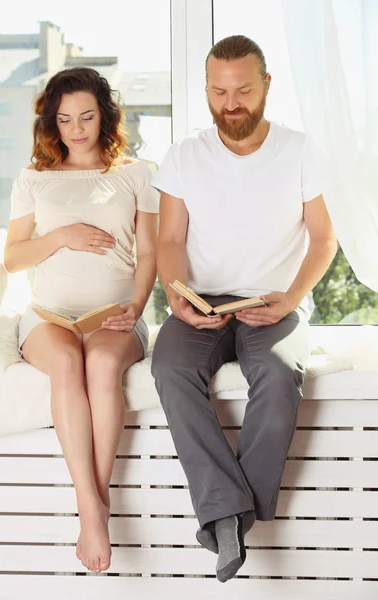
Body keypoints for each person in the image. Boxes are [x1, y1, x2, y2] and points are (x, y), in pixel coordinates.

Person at [151, 35, 337, 583]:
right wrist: (175, 294)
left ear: (267, 86)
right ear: (207, 90)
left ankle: (226, 517)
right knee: (169, 366)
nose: (230, 103)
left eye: (243, 90)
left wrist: (293, 297)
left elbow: (323, 238)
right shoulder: (184, 155)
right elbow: (169, 240)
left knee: (278, 375)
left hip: (274, 301)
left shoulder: (300, 149)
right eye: (218, 90)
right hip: (201, 299)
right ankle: (229, 513)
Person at [4, 67, 159, 574]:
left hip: (113, 314)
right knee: (67, 366)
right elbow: (12, 258)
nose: (76, 128)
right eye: (65, 119)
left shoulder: (137, 173)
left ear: (106, 116)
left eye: (87, 117)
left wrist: (137, 307)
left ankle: (96, 500)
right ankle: (92, 507)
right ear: (52, 122)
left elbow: (152, 251)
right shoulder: (34, 179)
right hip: (48, 316)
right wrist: (61, 236)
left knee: (99, 366)